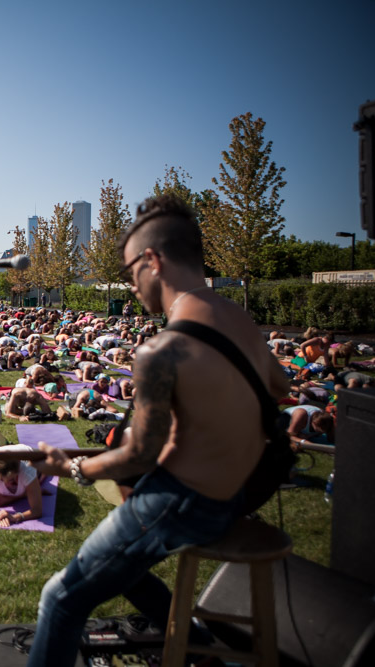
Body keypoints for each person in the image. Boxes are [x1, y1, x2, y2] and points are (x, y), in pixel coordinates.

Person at [26, 194, 289, 666]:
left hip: (181, 504)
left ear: (152, 261)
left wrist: (75, 468)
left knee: (60, 598)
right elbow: (280, 383)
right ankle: (192, 643)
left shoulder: (161, 352)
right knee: (119, 568)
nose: (131, 287)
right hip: (237, 497)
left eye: (130, 273)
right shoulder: (240, 318)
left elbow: (140, 457)